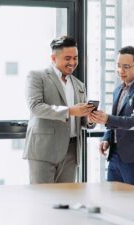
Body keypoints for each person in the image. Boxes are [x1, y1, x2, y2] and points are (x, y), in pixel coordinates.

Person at [23, 36, 95, 184]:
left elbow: (80, 118)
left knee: (66, 199)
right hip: (44, 149)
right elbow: (36, 107)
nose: (73, 63)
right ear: (53, 58)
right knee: (42, 199)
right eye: (67, 58)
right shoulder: (37, 77)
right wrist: (70, 111)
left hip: (72, 150)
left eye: (75, 58)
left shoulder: (79, 85)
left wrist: (89, 119)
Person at [90, 46, 134, 186]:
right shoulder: (118, 89)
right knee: (114, 202)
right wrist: (107, 138)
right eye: (118, 66)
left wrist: (107, 119)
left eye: (126, 67)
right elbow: (116, 118)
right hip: (114, 156)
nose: (120, 71)